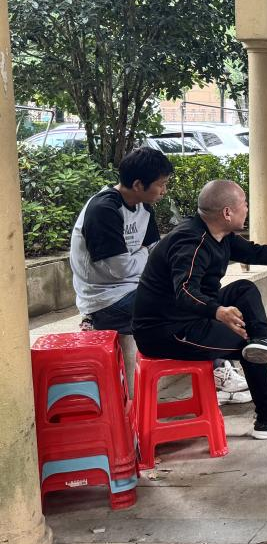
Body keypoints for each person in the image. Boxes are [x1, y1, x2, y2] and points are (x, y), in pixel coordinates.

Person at [132, 180, 267, 439]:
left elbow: (255, 253)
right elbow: (184, 291)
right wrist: (217, 311)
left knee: (243, 289)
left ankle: (264, 338)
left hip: (189, 315)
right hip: (166, 329)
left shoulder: (220, 234)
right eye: (244, 204)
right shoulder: (191, 241)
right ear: (227, 212)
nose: (247, 208)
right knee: (250, 348)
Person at [69, 147, 181, 394]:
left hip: (132, 289)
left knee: (195, 294)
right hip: (105, 300)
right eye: (161, 185)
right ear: (139, 184)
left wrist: (142, 256)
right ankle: (218, 370)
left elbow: (156, 254)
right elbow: (120, 269)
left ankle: (217, 366)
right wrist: (142, 254)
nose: (164, 191)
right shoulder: (104, 210)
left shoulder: (144, 207)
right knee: (188, 308)